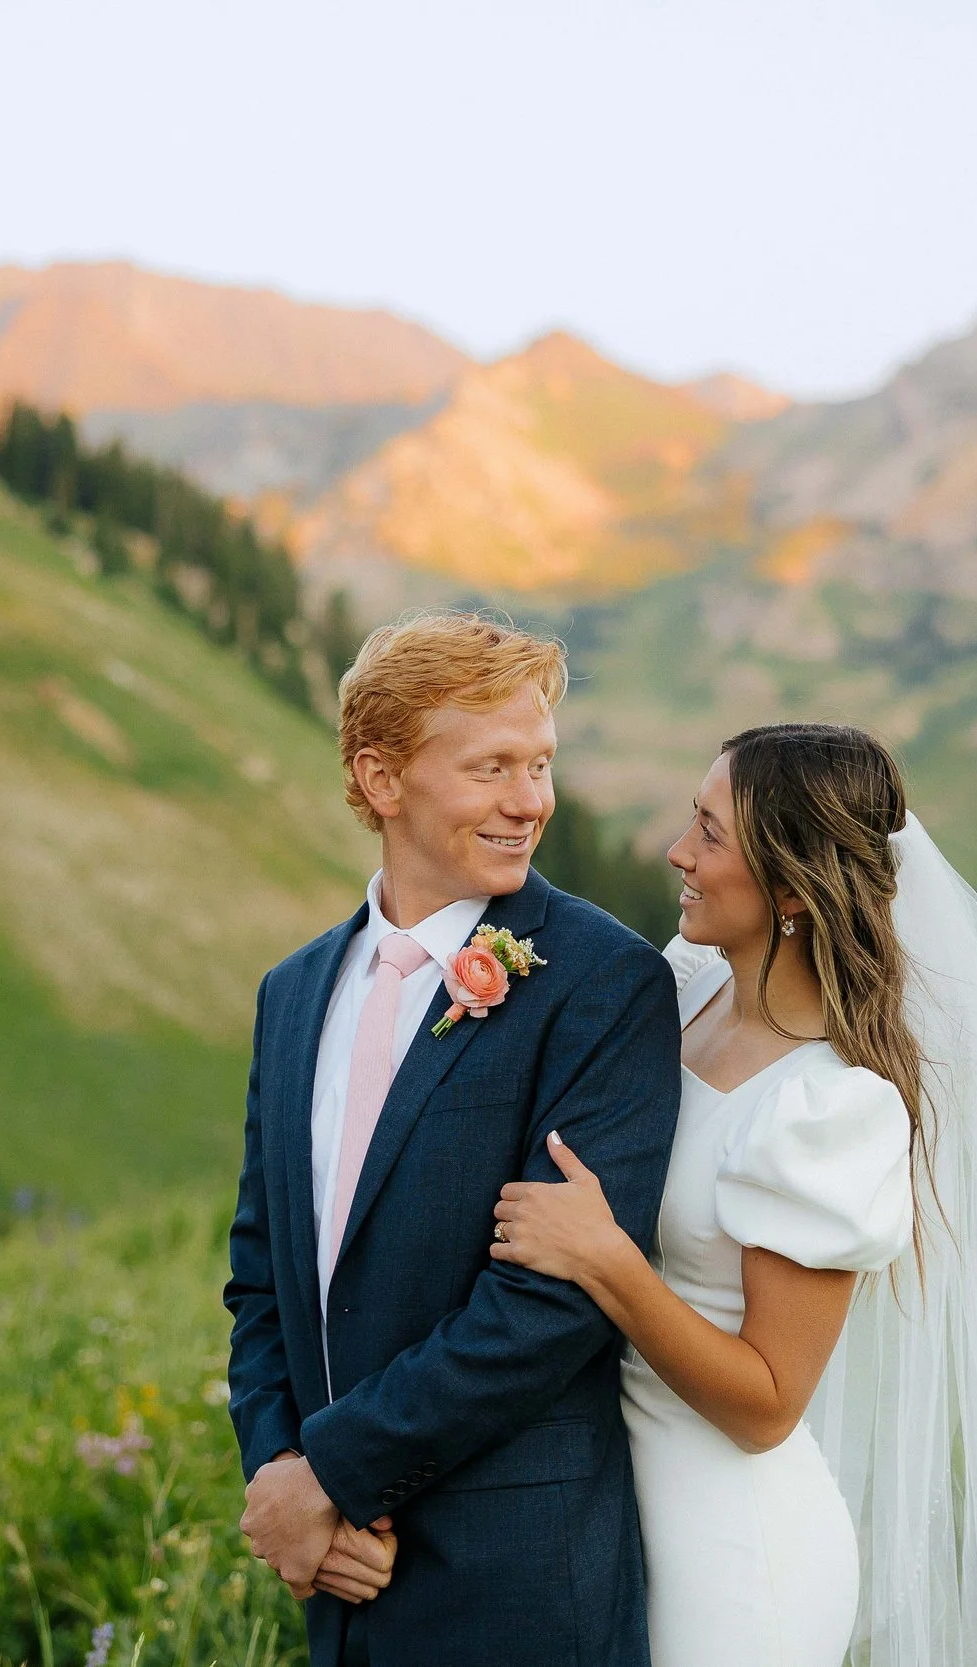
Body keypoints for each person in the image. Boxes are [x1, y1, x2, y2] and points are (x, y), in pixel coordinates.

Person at [494, 723, 977, 1667]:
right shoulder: (689, 987)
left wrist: (606, 1261)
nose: (677, 851)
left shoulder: (829, 1107)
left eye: (710, 832)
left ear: (791, 888)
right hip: (615, 1505)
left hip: (732, 1556)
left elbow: (769, 1402)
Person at [223, 611, 681, 1667]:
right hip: (343, 1583)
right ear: (382, 779)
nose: (532, 800)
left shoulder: (603, 981)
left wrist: (331, 1475)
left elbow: (552, 1304)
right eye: (491, 768)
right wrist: (281, 1471)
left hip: (517, 1581)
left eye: (540, 763)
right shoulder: (292, 992)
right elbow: (260, 1276)